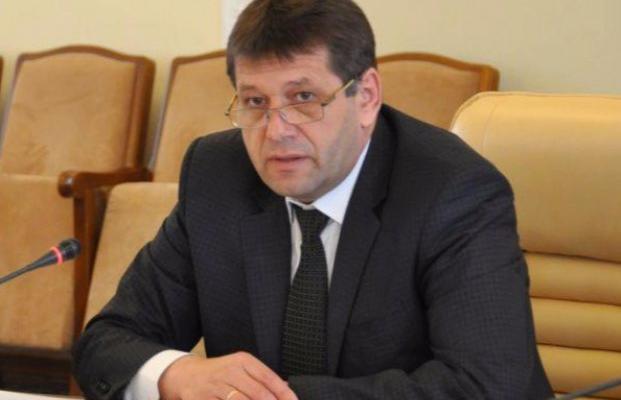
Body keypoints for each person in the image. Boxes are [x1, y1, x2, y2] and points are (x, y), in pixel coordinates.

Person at [73, 0, 553, 399]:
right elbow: (106, 342)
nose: (276, 131)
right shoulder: (217, 176)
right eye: (255, 102)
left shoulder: (453, 192)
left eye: (303, 98)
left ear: (367, 96)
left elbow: (487, 386)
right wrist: (176, 374)